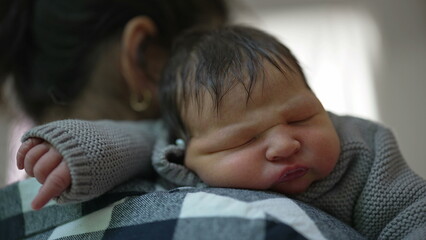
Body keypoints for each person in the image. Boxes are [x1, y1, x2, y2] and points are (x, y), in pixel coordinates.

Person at [17, 26, 426, 239]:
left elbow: (412, 215)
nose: (285, 144)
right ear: (185, 152)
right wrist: (72, 152)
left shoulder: (364, 150)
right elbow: (130, 140)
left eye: (302, 117)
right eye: (244, 140)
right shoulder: (168, 154)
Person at [0, 0, 228, 124]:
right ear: (145, 60)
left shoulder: (10, 208)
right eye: (213, 60)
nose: (224, 81)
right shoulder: (233, 206)